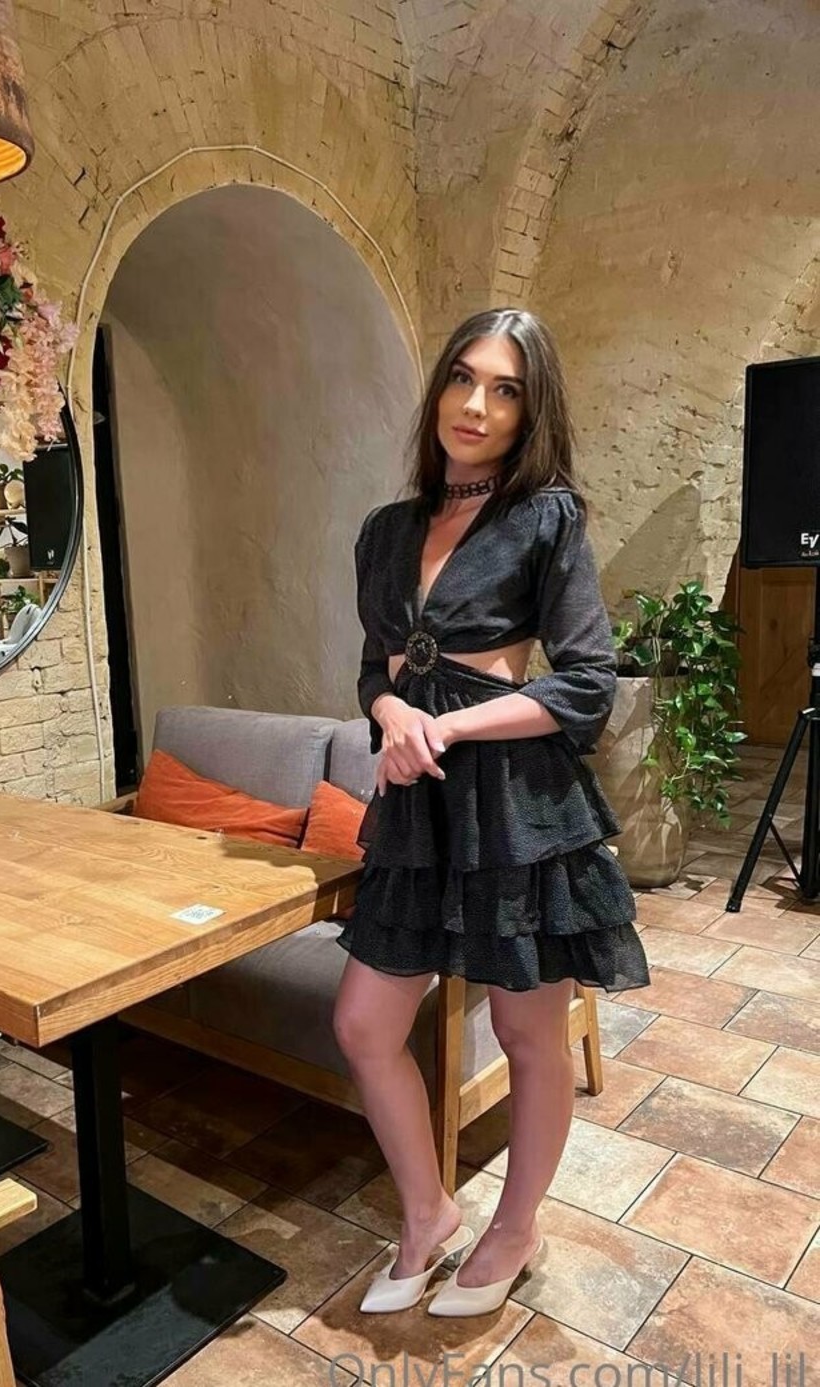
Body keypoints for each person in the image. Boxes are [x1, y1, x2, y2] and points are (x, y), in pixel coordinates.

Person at [333, 306, 650, 1318]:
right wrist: (392, 712)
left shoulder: (546, 517)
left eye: (505, 389)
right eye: (463, 378)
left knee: (526, 1032)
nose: (476, 405)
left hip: (514, 801)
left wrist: (449, 725)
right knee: (364, 1023)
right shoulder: (385, 531)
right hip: (415, 806)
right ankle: (428, 1214)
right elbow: (376, 668)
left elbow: (586, 683)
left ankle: (515, 1229)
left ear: (529, 411)